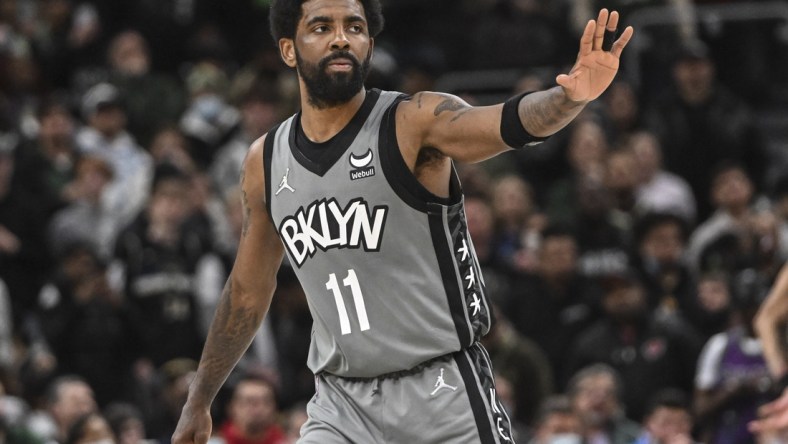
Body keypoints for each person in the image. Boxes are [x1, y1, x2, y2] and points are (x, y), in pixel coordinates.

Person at [172, 1, 633, 442]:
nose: (341, 39)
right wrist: (200, 398)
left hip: (439, 387)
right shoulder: (265, 161)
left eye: (354, 27)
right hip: (340, 402)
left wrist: (569, 98)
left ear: (370, 44)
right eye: (321, 27)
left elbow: (506, 124)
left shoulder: (412, 121)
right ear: (288, 48)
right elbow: (247, 291)